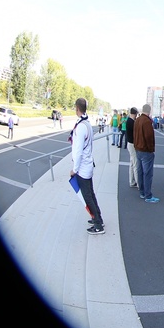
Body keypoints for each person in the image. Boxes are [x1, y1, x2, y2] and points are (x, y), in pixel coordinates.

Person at [69, 97, 104, 234]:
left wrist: (74, 169)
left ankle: (98, 225)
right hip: (87, 165)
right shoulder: (87, 124)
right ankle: (98, 218)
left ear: (77, 108)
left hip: (83, 167)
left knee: (87, 197)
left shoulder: (82, 126)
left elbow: (78, 151)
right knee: (90, 194)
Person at [134, 103, 159, 203]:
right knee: (147, 173)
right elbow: (149, 137)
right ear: (149, 111)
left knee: (140, 172)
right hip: (146, 151)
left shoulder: (138, 120)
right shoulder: (147, 122)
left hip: (138, 149)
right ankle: (148, 196)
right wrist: (151, 149)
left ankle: (142, 192)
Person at [125, 107, 139, 188]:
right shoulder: (132, 122)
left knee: (132, 163)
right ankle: (138, 183)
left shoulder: (129, 121)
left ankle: (132, 181)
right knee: (135, 164)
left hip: (129, 144)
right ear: (135, 113)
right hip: (132, 144)